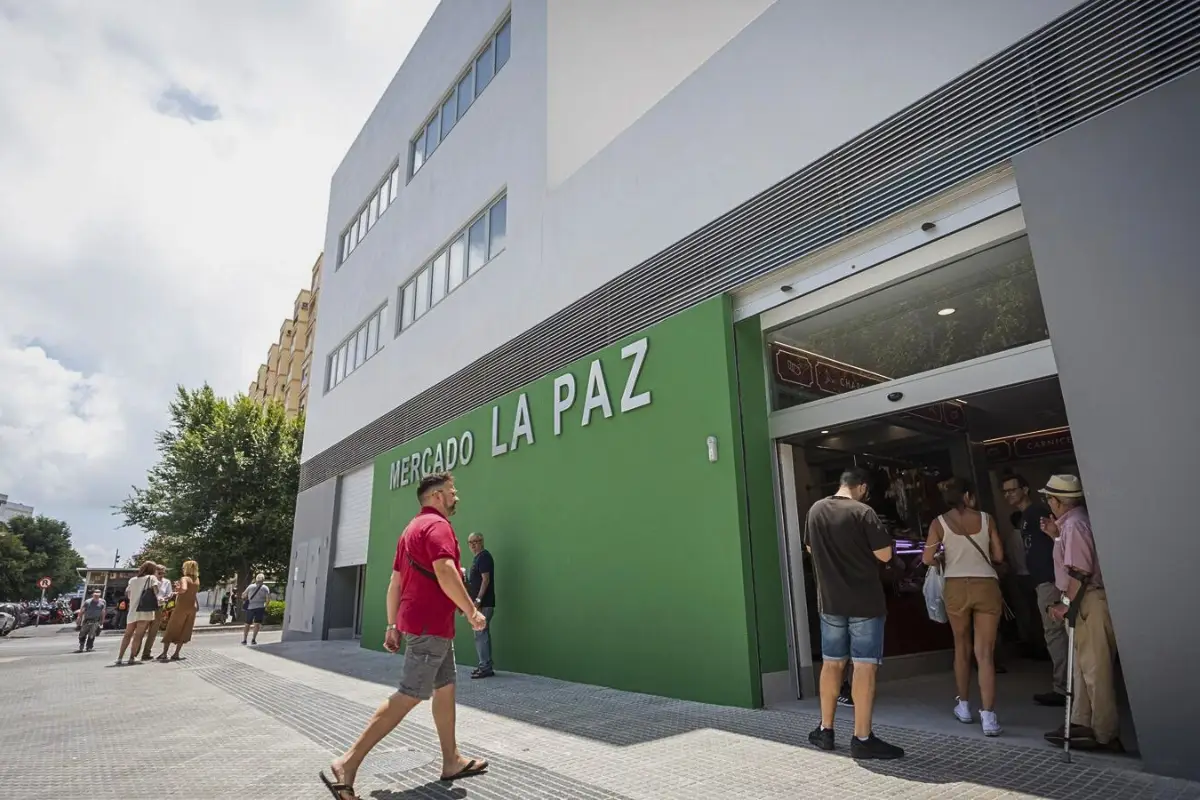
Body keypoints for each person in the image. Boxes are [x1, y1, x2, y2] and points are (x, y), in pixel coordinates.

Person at [321, 472, 489, 799]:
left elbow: (395, 582)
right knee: (410, 693)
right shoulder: (438, 526)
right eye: (452, 491)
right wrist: (471, 611)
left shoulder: (410, 530)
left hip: (424, 624)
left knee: (445, 687)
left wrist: (391, 625)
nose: (456, 496)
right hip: (430, 626)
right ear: (437, 496)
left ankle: (451, 760)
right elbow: (445, 571)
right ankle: (347, 762)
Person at [802, 467, 904, 760]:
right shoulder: (863, 512)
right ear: (862, 487)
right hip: (865, 603)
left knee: (832, 664)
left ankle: (825, 730)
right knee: (864, 666)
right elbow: (884, 555)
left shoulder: (815, 510)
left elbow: (809, 548)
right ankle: (862, 738)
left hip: (830, 602)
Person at [1038, 475, 1122, 752]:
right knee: (1083, 668)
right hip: (1084, 600)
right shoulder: (1071, 524)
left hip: (1088, 601)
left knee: (1095, 670)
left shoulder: (1075, 525)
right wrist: (1055, 536)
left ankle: (1104, 733)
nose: (1047, 502)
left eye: (1048, 498)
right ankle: (1082, 723)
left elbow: (1079, 570)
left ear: (1058, 501)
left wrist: (1067, 605)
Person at [923, 477, 1006, 736]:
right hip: (986, 585)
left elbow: (927, 558)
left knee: (961, 647)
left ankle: (964, 706)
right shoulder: (987, 519)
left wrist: (943, 556)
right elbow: (999, 556)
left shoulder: (938, 523)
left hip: (956, 586)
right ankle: (989, 716)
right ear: (968, 496)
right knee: (985, 653)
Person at [1001, 474, 1066, 706]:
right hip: (1042, 580)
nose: (1008, 495)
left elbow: (1056, 541)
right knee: (1054, 633)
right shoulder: (1026, 517)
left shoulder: (1037, 512)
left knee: (1055, 633)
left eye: (1012, 489)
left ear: (1025, 489)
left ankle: (1063, 688)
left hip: (1051, 580)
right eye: (1005, 491)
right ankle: (1065, 686)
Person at [116, 561, 160, 666]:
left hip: (133, 610)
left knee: (127, 635)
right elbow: (156, 591)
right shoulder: (152, 578)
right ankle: (132, 657)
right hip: (145, 610)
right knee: (138, 635)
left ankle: (120, 657)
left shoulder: (132, 580)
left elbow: (128, 595)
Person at [467, 532, 496, 679]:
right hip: (480, 604)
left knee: (480, 634)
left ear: (482, 541)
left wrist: (478, 600)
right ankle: (485, 665)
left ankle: (485, 667)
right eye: (470, 542)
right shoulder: (478, 558)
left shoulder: (484, 557)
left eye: (476, 541)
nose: (473, 545)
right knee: (481, 634)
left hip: (484, 604)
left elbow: (486, 580)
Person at [158, 560, 200, 662]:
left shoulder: (184, 578)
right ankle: (176, 653)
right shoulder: (197, 580)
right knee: (185, 630)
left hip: (182, 607)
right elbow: (193, 593)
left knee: (172, 628)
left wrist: (177, 588)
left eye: (183, 567)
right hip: (192, 607)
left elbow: (184, 589)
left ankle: (164, 653)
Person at [140, 564, 174, 661]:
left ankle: (146, 653)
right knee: (141, 631)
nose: (161, 575)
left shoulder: (166, 582)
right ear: (155, 572)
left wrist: (166, 597)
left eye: (163, 573)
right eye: (159, 573)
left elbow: (169, 594)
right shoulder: (149, 580)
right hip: (148, 607)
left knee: (153, 632)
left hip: (159, 607)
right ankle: (134, 653)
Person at [241, 574, 271, 645]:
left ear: (256, 579)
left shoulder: (250, 586)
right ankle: (253, 639)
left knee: (247, 624)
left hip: (250, 607)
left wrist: (245, 599)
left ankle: (244, 640)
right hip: (260, 608)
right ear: (263, 580)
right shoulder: (265, 588)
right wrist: (266, 606)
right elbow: (268, 599)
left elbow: (243, 595)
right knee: (257, 624)